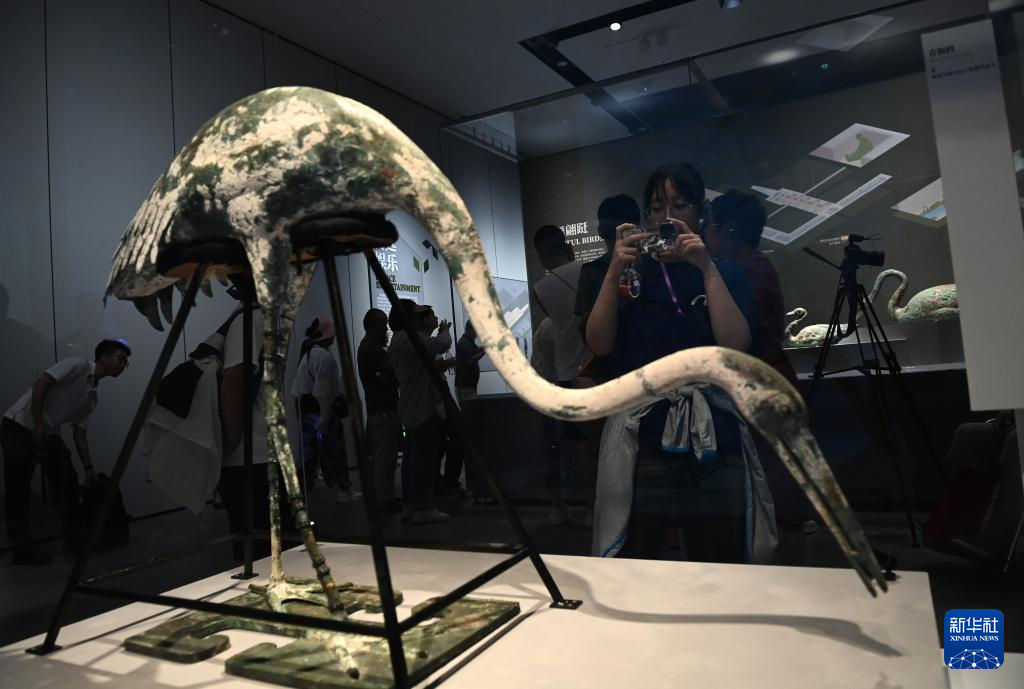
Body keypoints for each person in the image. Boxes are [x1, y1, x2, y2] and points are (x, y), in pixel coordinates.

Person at [586, 162, 755, 562]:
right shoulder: (631, 274)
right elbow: (599, 344)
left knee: (719, 554)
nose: (668, 217)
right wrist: (613, 271)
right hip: (645, 430)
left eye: (680, 205)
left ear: (701, 211)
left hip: (714, 428)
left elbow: (736, 344)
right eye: (658, 207)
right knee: (638, 552)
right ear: (646, 216)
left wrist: (706, 268)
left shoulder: (725, 272)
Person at [705, 190, 810, 532]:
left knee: (775, 491)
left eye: (710, 226)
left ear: (728, 231)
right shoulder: (754, 266)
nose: (704, 233)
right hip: (768, 380)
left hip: (760, 386)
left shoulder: (746, 272)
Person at [2, 339, 131, 564]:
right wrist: (39, 423)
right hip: (19, 425)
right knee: (18, 489)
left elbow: (79, 434)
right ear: (103, 358)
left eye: (125, 362)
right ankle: (22, 549)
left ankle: (73, 539)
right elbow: (41, 383)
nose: (123, 365)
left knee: (67, 480)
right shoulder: (78, 365)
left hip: (47, 431)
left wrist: (88, 468)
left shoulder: (92, 396)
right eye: (120, 359)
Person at [532, 225, 594, 524]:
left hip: (568, 374)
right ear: (567, 246)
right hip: (597, 367)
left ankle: (591, 509)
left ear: (541, 257)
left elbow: (556, 319)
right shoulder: (588, 270)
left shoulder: (540, 289)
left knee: (579, 447)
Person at [389, 300, 453, 524]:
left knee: (411, 458)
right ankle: (424, 507)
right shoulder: (409, 338)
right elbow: (442, 344)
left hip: (410, 406)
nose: (419, 319)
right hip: (422, 407)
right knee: (424, 459)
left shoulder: (397, 340)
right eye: (416, 315)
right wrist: (444, 332)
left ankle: (410, 504)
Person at [291, 316, 361, 504]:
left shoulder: (308, 354)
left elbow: (298, 390)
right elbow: (324, 394)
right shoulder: (325, 358)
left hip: (306, 411)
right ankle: (345, 489)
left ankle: (302, 491)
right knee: (335, 452)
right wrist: (323, 421)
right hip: (321, 413)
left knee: (307, 454)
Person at [357, 308, 402, 512]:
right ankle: (384, 499)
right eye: (383, 324)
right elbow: (392, 372)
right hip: (382, 408)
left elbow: (389, 374)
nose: (386, 328)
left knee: (383, 455)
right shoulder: (371, 349)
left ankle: (383, 497)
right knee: (385, 456)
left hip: (381, 407)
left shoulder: (370, 347)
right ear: (372, 326)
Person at [454, 320, 485, 402]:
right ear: (469, 329)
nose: (477, 334)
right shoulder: (464, 343)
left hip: (468, 386)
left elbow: (475, 350)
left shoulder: (467, 341)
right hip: (464, 386)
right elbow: (470, 360)